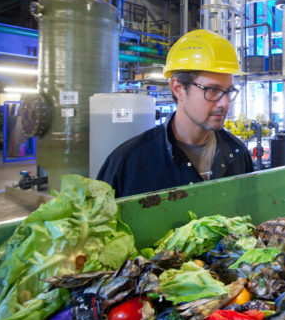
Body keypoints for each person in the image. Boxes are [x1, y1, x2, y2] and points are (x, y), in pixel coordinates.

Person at [98, 29, 254, 197]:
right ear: (178, 88)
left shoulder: (237, 154)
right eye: (213, 90)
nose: (224, 103)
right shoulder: (128, 163)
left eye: (228, 91)